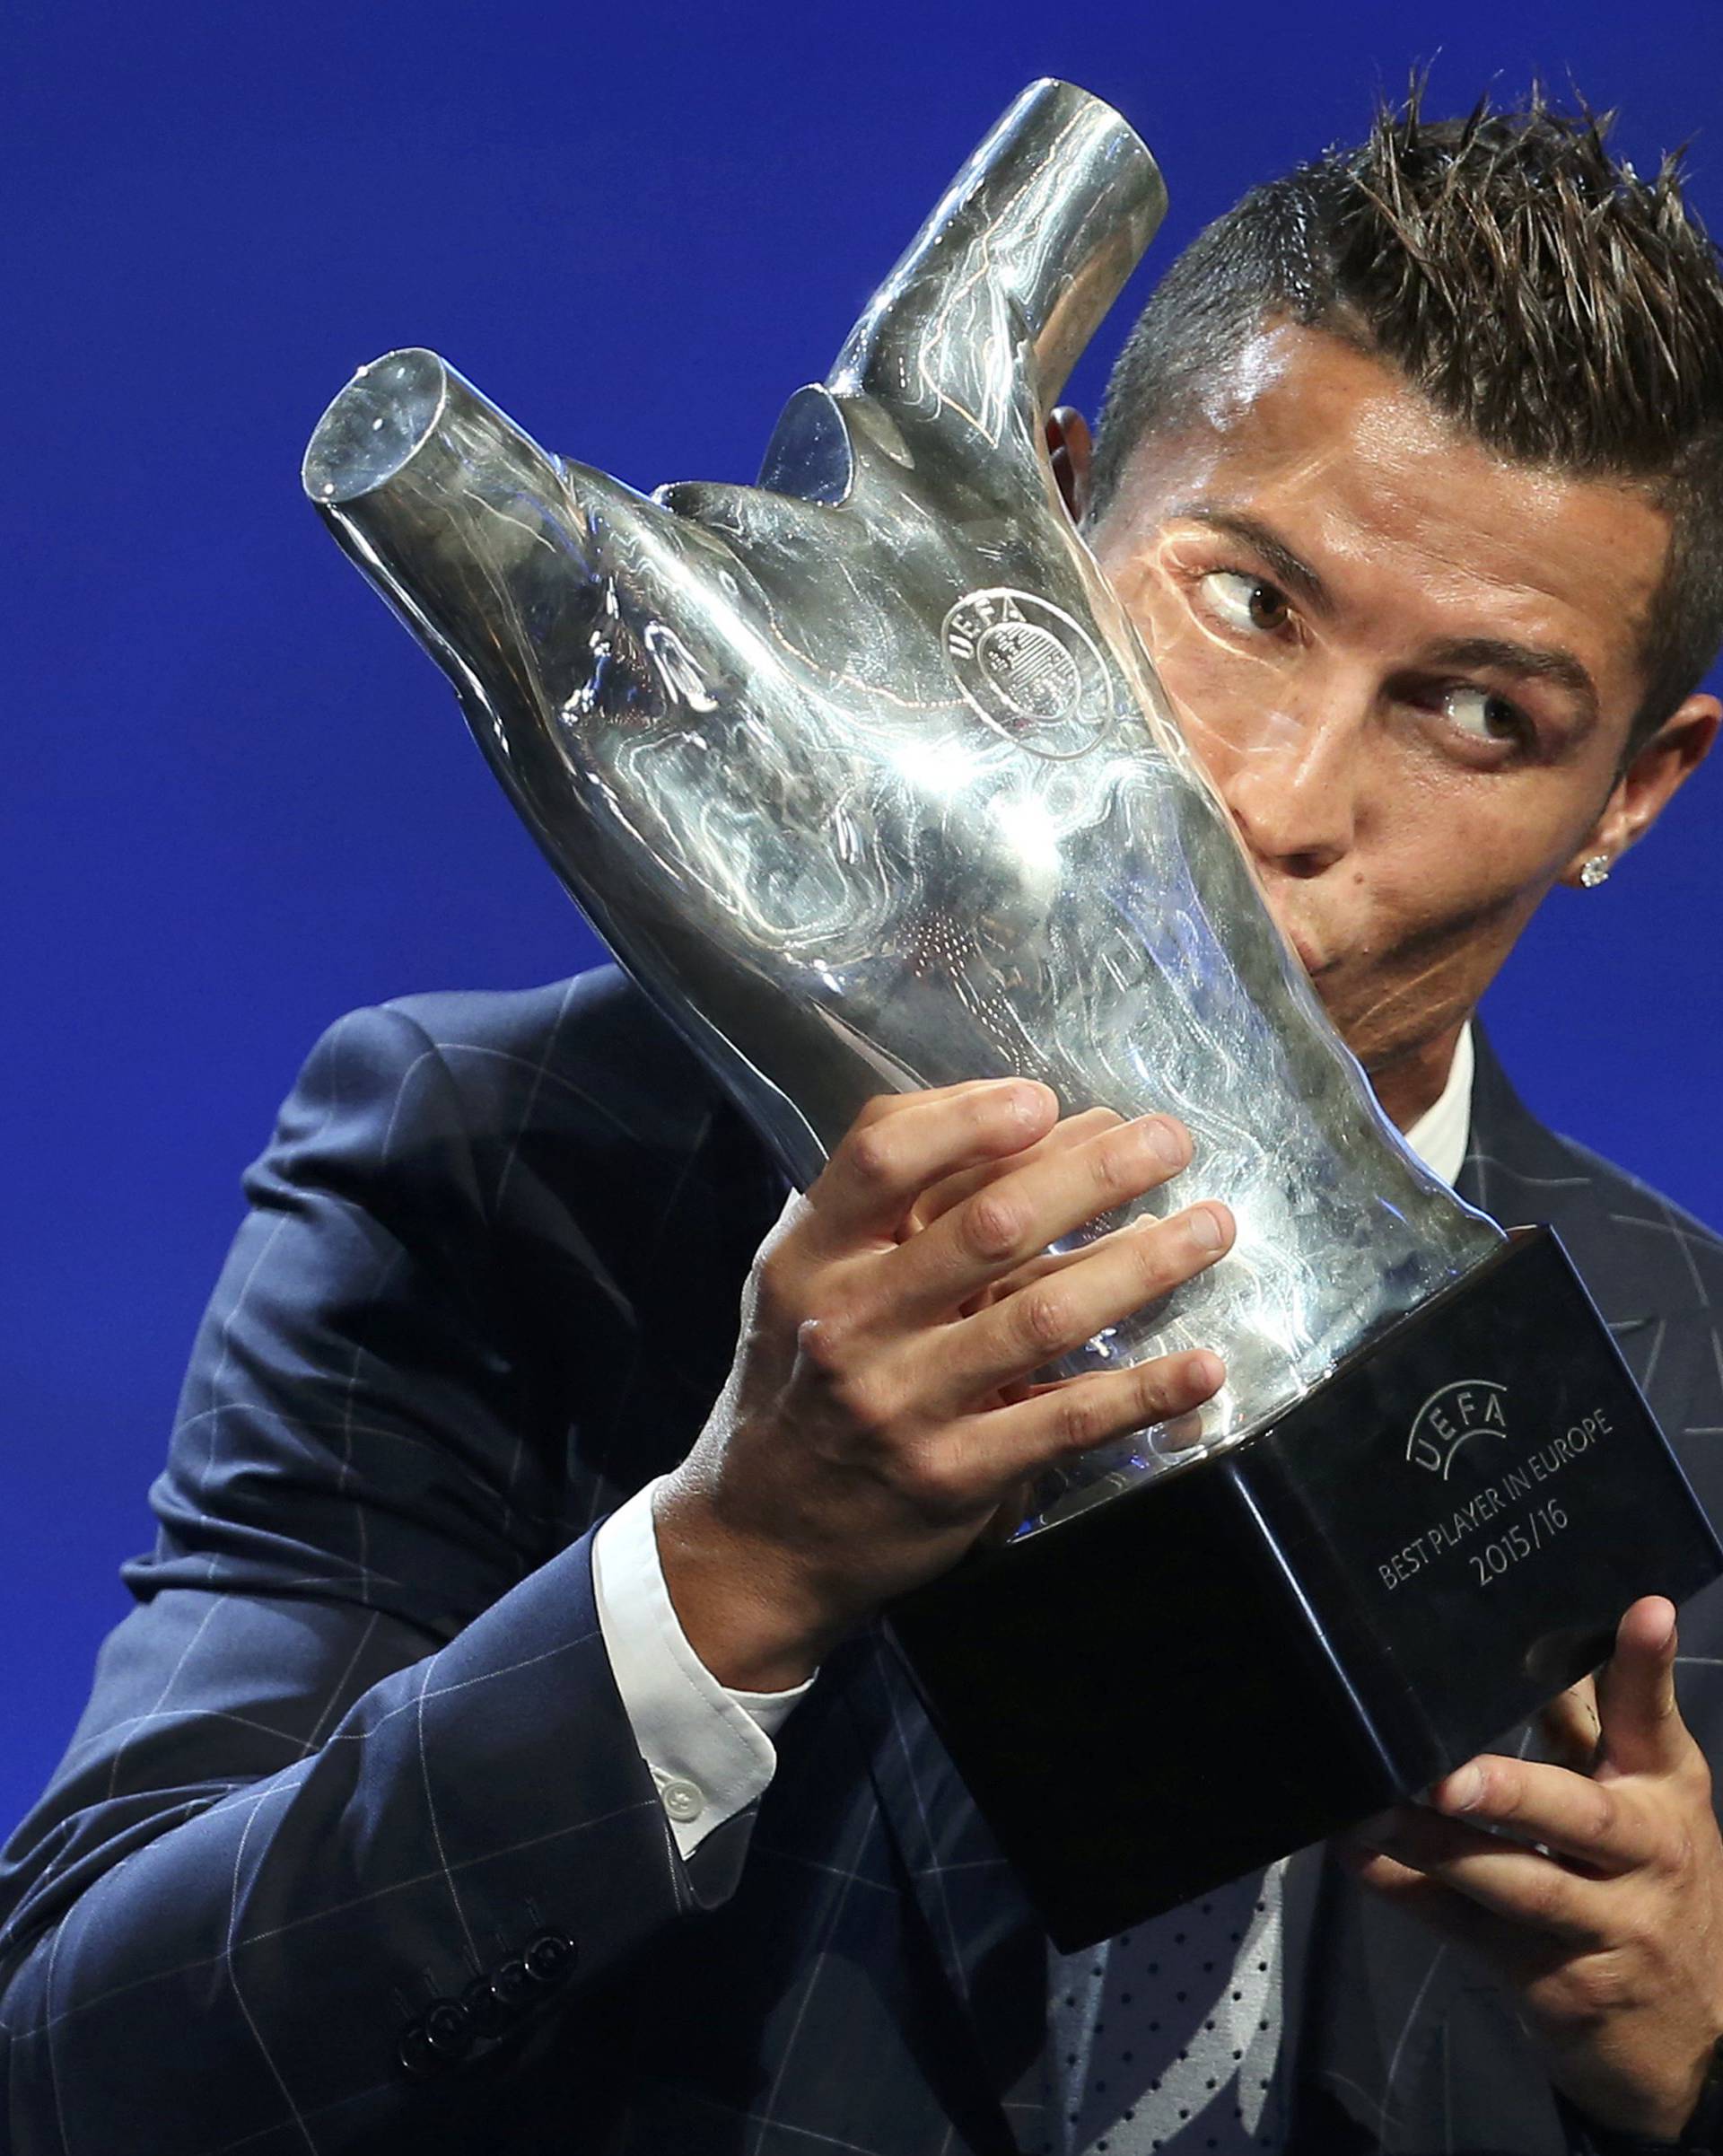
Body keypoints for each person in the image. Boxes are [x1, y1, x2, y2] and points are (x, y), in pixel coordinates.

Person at [4, 88, 1723, 2156]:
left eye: (1481, 715)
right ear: (1041, 517)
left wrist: (1698, 2068)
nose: (1276, 799)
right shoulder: (506, 1160)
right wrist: (727, 1565)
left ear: (1633, 791)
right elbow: (81, 2075)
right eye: (1247, 602)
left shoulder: (1691, 1368)